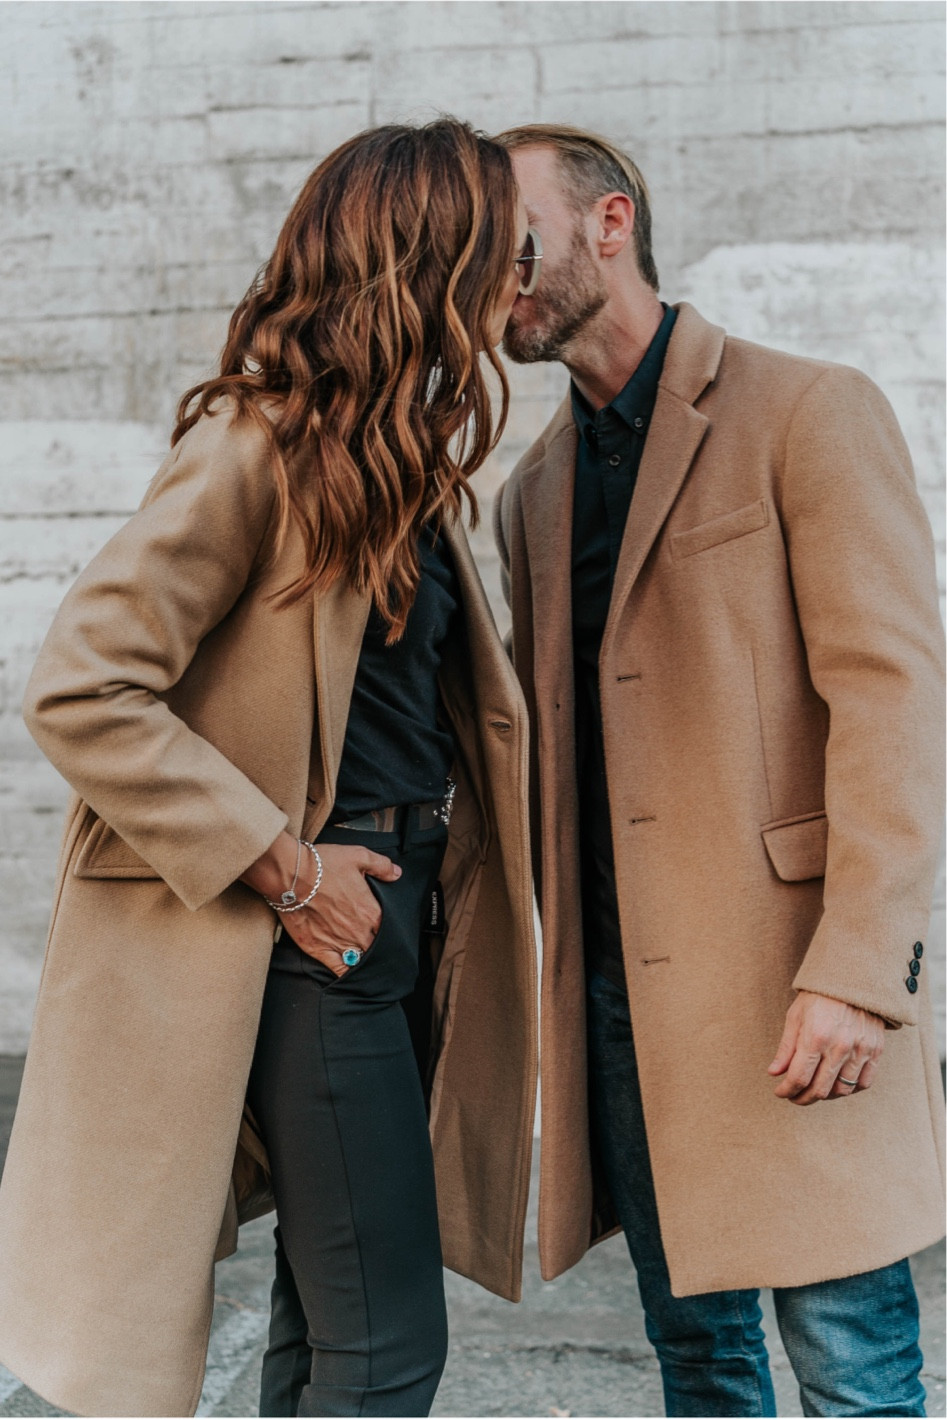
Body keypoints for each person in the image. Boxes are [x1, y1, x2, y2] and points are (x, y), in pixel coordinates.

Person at [0, 119, 542, 1419]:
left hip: (397, 921)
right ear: (432, 255)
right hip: (317, 941)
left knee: (326, 1326)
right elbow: (82, 684)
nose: (523, 268)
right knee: (388, 1348)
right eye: (505, 243)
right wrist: (288, 867)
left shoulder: (397, 464)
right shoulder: (255, 450)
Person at [492, 123, 945, 1418]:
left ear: (609, 225)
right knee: (701, 1367)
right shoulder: (531, 493)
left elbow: (895, 707)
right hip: (622, 1018)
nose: (490, 282)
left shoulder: (808, 409)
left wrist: (860, 974)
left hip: (795, 993)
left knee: (852, 1373)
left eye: (510, 243)